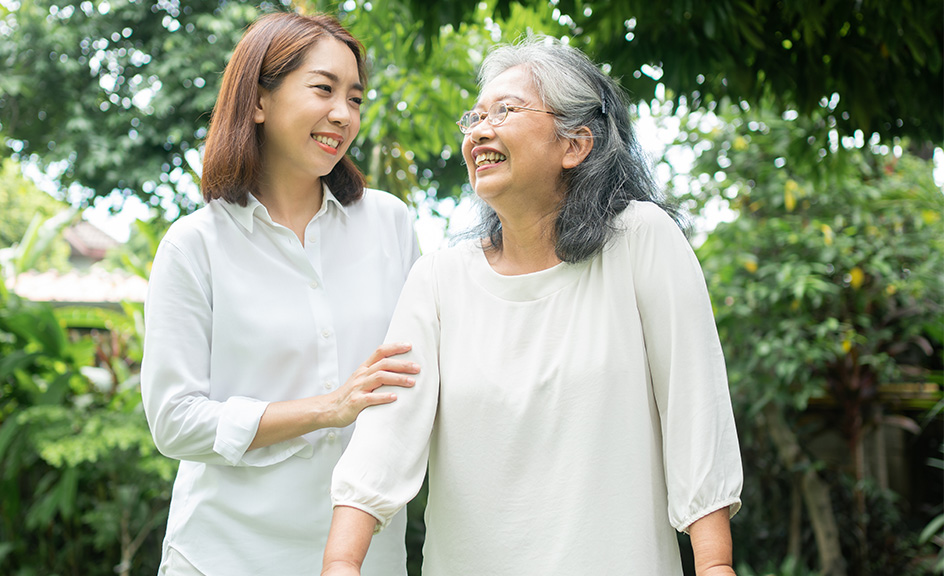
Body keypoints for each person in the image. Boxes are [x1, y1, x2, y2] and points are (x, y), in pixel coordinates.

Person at [322, 38, 743, 576]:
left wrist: (714, 566)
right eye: (474, 116)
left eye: (506, 110)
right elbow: (386, 433)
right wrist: (340, 562)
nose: (479, 130)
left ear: (575, 145)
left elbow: (695, 408)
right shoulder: (438, 279)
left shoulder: (641, 240)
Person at [140, 12, 419, 575]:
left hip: (365, 558)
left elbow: (425, 373)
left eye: (356, 98)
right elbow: (173, 420)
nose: (343, 113)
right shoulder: (194, 245)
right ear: (259, 101)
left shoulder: (390, 223)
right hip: (224, 554)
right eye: (323, 89)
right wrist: (326, 409)